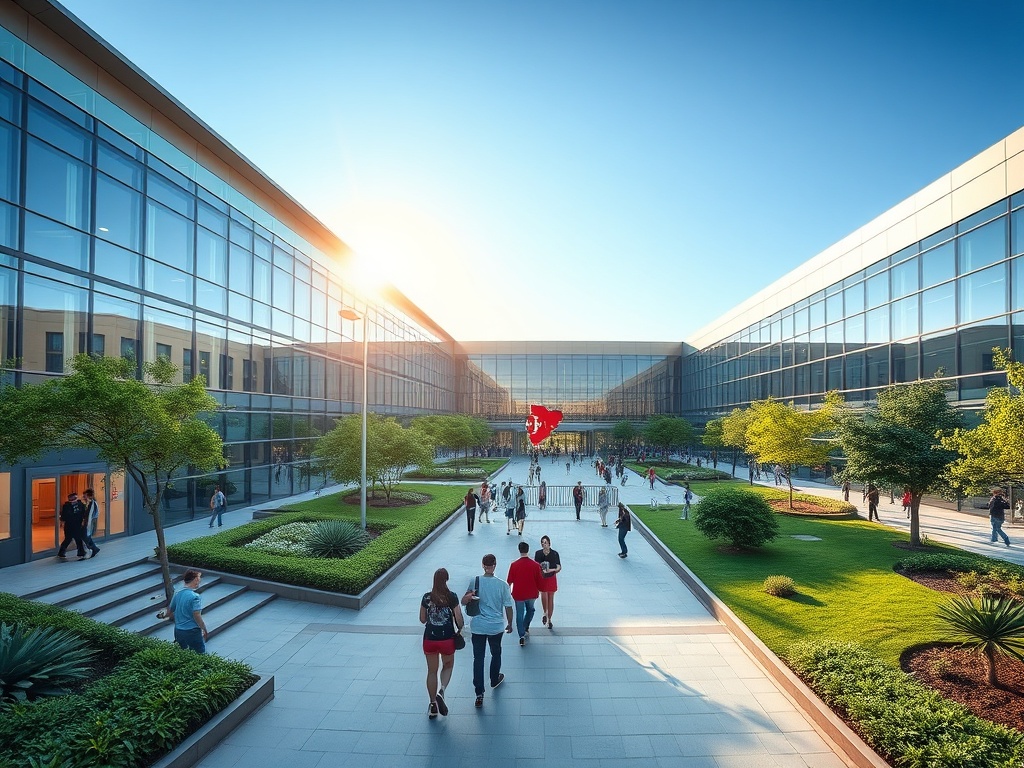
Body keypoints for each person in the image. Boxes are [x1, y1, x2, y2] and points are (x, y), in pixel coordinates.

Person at [462, 554, 514, 708]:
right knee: (496, 653)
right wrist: (510, 623)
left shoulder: (475, 581)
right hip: (496, 626)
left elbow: (464, 601)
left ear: (483, 565)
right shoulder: (503, 585)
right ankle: (494, 678)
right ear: (495, 565)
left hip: (478, 626)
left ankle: (479, 693)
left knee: (478, 659)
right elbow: (508, 607)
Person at [420, 567, 463, 718]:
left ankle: (432, 705)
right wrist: (460, 629)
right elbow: (458, 618)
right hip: (447, 639)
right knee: (448, 665)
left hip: (430, 639)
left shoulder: (426, 597)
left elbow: (422, 619)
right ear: (446, 580)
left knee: (431, 671)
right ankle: (442, 690)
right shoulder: (452, 597)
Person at [161, 569, 209, 653]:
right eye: (199, 578)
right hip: (192, 631)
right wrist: (204, 628)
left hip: (178, 631)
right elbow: (196, 614)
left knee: (182, 654)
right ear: (195, 580)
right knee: (199, 655)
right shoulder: (195, 597)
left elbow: (170, 610)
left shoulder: (177, 593)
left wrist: (164, 616)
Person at [507, 541, 542, 646]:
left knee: (519, 613)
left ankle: (521, 635)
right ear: (528, 550)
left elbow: (509, 581)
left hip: (518, 594)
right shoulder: (535, 565)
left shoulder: (514, 565)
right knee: (531, 610)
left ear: (519, 550)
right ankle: (525, 625)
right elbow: (539, 580)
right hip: (531, 593)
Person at [534, 535, 561, 629]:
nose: (543, 544)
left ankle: (549, 618)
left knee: (551, 597)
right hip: (542, 577)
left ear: (549, 543)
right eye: (542, 542)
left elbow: (558, 566)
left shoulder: (554, 554)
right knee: (544, 594)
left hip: (551, 577)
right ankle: (545, 612)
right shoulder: (538, 553)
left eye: (545, 542)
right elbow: (536, 565)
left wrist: (552, 570)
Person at [56, 492, 86, 560]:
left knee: (77, 539)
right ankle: (61, 552)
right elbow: (64, 516)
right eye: (72, 498)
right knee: (68, 539)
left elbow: (83, 513)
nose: (73, 500)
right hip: (69, 525)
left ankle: (81, 552)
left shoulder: (80, 504)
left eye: (75, 498)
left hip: (77, 525)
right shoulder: (66, 506)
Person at [80, 488, 101, 558]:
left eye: (85, 495)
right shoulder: (91, 503)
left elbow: (90, 515)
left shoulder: (92, 504)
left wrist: (85, 524)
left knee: (85, 536)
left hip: (88, 523)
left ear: (88, 495)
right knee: (86, 536)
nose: (83, 496)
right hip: (88, 523)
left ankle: (92, 549)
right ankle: (94, 549)